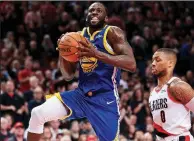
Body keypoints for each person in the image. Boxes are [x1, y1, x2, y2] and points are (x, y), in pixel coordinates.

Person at [27, 2, 136, 141]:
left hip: (105, 99)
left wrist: (96, 54)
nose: (95, 12)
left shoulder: (113, 33)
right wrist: (63, 52)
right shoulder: (77, 37)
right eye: (91, 10)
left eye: (99, 10)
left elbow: (131, 64)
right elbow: (68, 75)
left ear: (106, 18)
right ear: (86, 16)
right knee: (37, 113)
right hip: (81, 96)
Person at [149, 48, 194, 141]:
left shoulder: (177, 86)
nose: (153, 63)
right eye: (153, 60)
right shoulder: (153, 93)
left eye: (158, 60)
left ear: (170, 64)